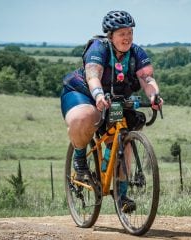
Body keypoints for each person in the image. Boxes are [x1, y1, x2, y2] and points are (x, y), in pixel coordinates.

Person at [60, 10, 163, 213]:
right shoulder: (99, 48)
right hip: (84, 92)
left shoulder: (136, 53)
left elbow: (147, 79)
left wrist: (154, 96)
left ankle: (121, 194)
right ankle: (80, 158)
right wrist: (98, 95)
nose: (127, 37)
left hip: (114, 98)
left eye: (130, 33)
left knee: (122, 140)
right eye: (122, 33)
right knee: (85, 116)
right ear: (110, 35)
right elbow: (93, 76)